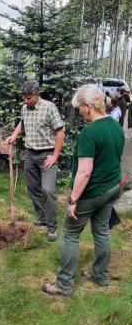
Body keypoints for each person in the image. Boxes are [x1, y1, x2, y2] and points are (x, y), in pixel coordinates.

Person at [42, 85, 124, 296]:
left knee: (69, 233)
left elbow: (85, 172)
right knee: (102, 230)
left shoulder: (89, 132)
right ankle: (100, 275)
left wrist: (73, 200)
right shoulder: (115, 126)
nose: (78, 111)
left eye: (79, 107)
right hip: (112, 188)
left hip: (92, 193)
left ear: (88, 106)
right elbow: (113, 159)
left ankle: (64, 285)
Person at [5, 79, 65, 242]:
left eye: (29, 98)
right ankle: (42, 217)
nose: (26, 101)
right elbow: (22, 124)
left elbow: (60, 132)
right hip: (30, 155)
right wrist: (14, 135)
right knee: (33, 189)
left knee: (47, 190)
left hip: (47, 156)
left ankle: (52, 227)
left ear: (37, 95)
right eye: (24, 98)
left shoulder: (49, 108)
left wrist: (55, 155)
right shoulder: (25, 108)